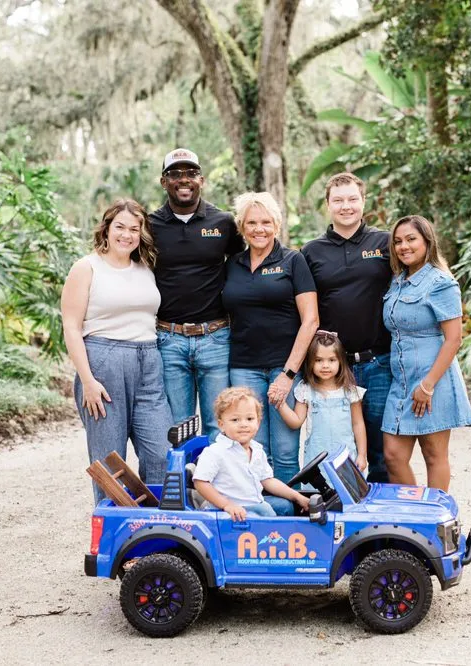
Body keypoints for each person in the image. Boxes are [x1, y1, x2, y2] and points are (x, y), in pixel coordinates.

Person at [61, 199, 173, 503]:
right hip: (103, 363)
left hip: (149, 360)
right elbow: (71, 326)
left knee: (162, 456)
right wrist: (88, 381)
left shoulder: (146, 268)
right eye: (120, 227)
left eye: (134, 229)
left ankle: (152, 536)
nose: (127, 235)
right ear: (107, 229)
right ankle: (111, 542)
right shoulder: (87, 267)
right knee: (110, 462)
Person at [301, 172, 393, 483]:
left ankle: (381, 518)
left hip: (378, 361)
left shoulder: (384, 243)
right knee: (337, 442)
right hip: (333, 368)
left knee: (380, 444)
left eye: (352, 199)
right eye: (338, 200)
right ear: (327, 205)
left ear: (363, 201)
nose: (346, 206)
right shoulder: (311, 251)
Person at [221, 191, 318, 482]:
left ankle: (287, 516)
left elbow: (311, 320)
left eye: (265, 222)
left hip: (284, 366)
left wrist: (288, 373)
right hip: (243, 367)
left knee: (286, 452)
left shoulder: (293, 260)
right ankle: (258, 516)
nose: (258, 229)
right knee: (251, 447)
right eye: (251, 222)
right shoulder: (231, 264)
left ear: (276, 224)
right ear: (241, 226)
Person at [150, 148, 244, 441]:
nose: (184, 180)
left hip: (215, 338)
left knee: (220, 426)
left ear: (201, 180)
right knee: (180, 429)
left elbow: (245, 266)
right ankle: (186, 487)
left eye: (190, 173)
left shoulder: (223, 222)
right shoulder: (149, 225)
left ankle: (215, 488)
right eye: (175, 174)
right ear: (164, 181)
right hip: (169, 339)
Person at [382, 215, 471, 491]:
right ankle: (416, 517)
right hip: (400, 382)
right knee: (393, 456)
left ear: (427, 242)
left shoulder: (440, 283)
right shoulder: (397, 281)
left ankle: (435, 525)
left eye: (411, 239)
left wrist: (428, 385)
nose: (404, 246)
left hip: (432, 380)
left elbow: (454, 339)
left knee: (434, 455)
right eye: (398, 241)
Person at [193, 387, 311, 519]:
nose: (243, 424)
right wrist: (227, 505)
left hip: (253, 503)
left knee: (286, 506)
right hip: (229, 512)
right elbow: (200, 482)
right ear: (221, 425)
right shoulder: (216, 452)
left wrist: (298, 497)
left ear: (258, 422)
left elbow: (267, 480)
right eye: (235, 420)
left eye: (249, 419)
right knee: (265, 518)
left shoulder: (257, 450)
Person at [275, 330, 368, 472]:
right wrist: (280, 404)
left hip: (346, 460)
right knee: (317, 494)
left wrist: (362, 455)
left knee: (346, 492)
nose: (325, 365)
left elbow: (358, 424)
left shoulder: (350, 391)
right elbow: (296, 422)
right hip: (316, 461)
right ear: (310, 362)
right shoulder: (306, 390)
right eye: (318, 360)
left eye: (331, 360)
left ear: (340, 361)